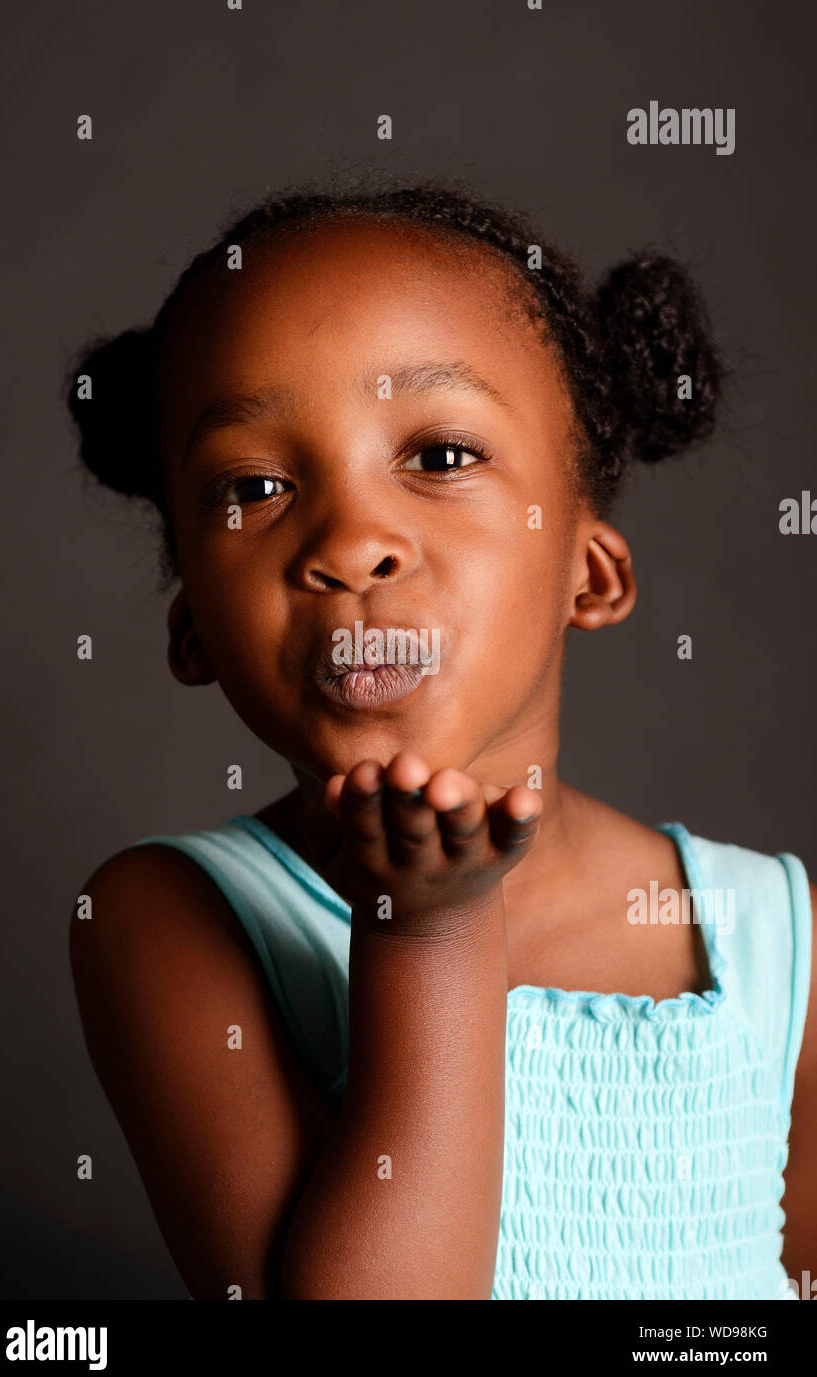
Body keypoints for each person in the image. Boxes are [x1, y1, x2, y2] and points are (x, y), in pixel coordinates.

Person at [65, 177, 816, 1300]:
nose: (352, 543)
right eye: (258, 484)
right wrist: (431, 935)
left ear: (590, 571)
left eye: (442, 457)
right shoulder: (170, 918)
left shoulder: (775, 944)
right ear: (194, 630)